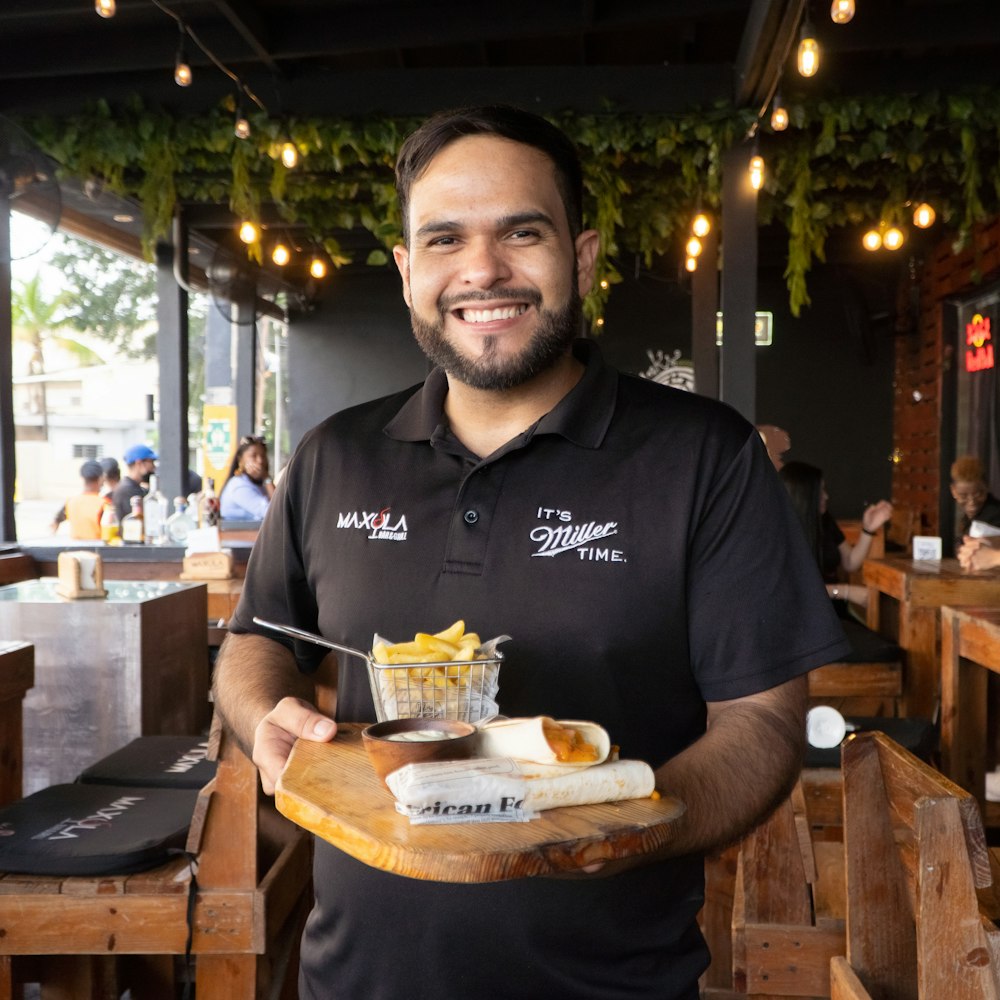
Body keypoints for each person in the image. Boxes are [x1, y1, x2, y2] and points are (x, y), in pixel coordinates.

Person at [212, 105, 849, 1000]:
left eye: (521, 231)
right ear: (405, 272)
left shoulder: (704, 456)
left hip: (615, 984)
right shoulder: (334, 455)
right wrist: (265, 717)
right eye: (443, 240)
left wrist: (629, 825)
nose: (482, 270)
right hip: (353, 979)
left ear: (581, 257)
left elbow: (764, 723)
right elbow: (255, 641)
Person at [779, 460, 893, 611]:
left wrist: (868, 529)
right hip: (803, 614)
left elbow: (850, 562)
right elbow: (790, 591)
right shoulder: (779, 534)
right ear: (804, 496)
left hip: (832, 609)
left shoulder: (824, 520)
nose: (826, 496)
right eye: (820, 491)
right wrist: (844, 591)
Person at [218, 435, 274, 521]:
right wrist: (266, 478)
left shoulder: (259, 484)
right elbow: (274, 513)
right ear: (241, 460)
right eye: (253, 456)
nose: (260, 461)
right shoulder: (238, 485)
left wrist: (266, 478)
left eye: (263, 456)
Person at [950, 454, 1000, 547]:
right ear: (954, 491)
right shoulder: (969, 518)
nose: (971, 502)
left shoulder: (995, 518)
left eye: (978, 494)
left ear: (987, 487)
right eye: (963, 496)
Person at [51, 459, 108, 539]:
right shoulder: (104, 504)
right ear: (100, 479)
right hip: (96, 549)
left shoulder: (70, 502)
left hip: (75, 550)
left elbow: (55, 522)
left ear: (83, 478)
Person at [111, 444, 156, 522]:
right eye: (151, 462)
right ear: (139, 463)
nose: (153, 467)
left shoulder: (134, 487)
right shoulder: (127, 490)